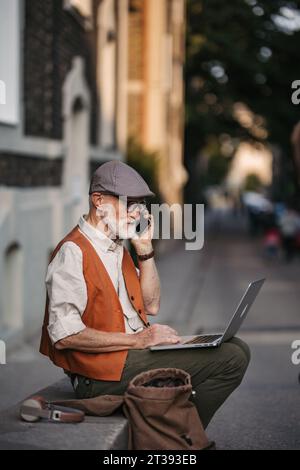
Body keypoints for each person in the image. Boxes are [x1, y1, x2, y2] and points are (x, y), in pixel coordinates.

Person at [40, 160, 250, 430]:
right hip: (98, 375)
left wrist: (144, 249)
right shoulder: (73, 251)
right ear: (98, 200)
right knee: (232, 359)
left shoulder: (117, 246)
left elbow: (152, 305)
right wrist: (137, 340)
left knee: (238, 347)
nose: (135, 214)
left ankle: (172, 431)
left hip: (128, 356)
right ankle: (178, 437)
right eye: (129, 204)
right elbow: (64, 335)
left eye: (139, 206)